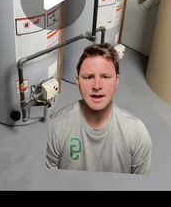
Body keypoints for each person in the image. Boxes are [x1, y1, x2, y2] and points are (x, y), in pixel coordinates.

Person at [46, 43, 152, 173]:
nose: (97, 86)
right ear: (78, 82)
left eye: (105, 77)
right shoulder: (56, 127)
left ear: (117, 81)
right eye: (89, 77)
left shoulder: (137, 134)